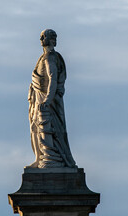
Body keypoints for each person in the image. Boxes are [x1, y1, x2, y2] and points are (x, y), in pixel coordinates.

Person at [27, 29, 76, 168]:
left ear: (52, 39)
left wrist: (48, 99)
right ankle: (40, 158)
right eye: (41, 36)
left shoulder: (50, 57)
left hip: (46, 102)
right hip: (40, 99)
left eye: (44, 36)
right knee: (36, 128)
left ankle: (49, 160)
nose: (41, 38)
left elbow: (52, 77)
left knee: (46, 129)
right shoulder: (43, 57)